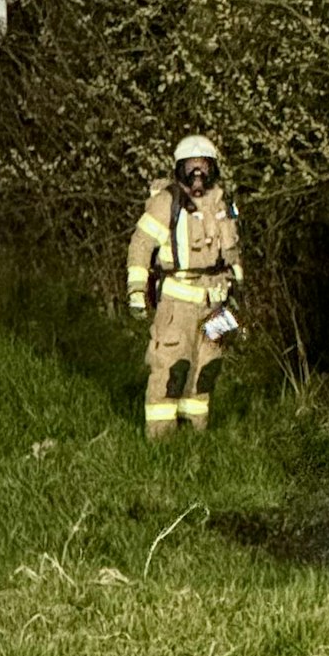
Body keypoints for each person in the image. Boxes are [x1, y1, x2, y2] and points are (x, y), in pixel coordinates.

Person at [126, 135, 242, 440]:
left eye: (203, 166)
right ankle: (161, 437)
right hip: (177, 304)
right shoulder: (167, 202)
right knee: (171, 368)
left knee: (206, 369)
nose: (197, 174)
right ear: (180, 169)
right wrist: (136, 290)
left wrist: (236, 288)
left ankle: (194, 434)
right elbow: (140, 244)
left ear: (213, 167)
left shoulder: (222, 204)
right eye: (191, 167)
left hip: (215, 303)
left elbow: (232, 251)